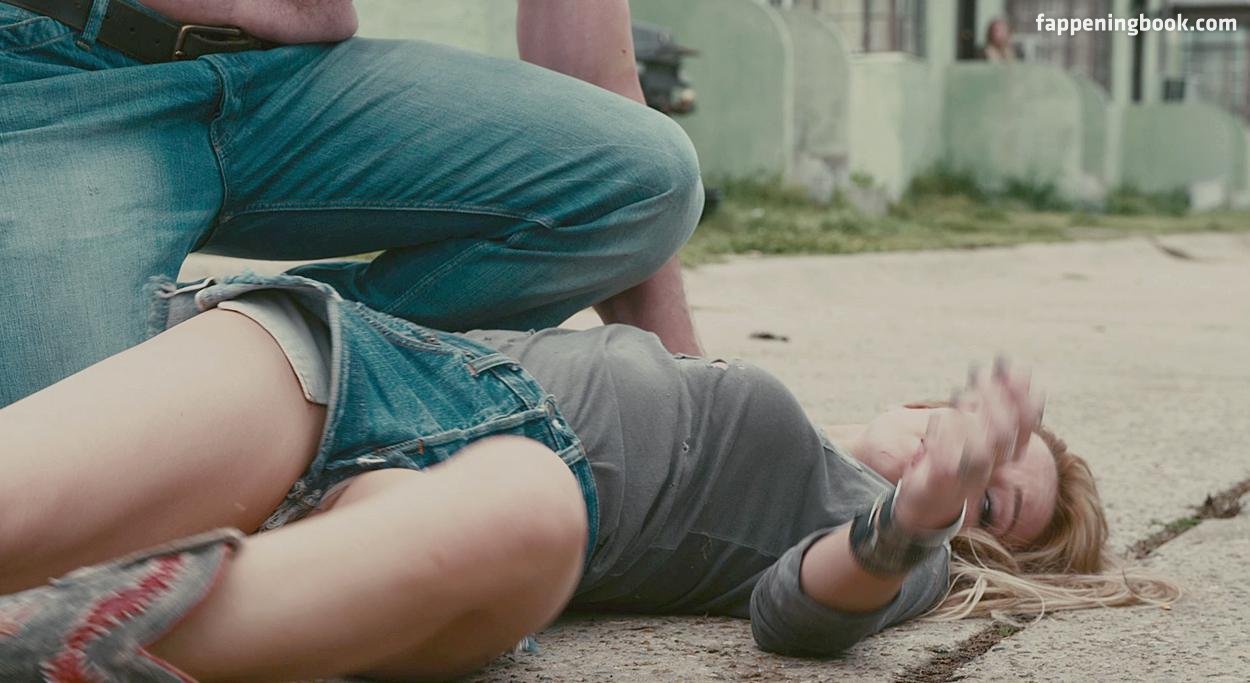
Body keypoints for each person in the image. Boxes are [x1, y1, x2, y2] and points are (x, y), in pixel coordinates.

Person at [0, 275, 1178, 681]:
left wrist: (914, 519)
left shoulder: (891, 545)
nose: (956, 460)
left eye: (989, 497)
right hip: (371, 367)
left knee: (527, 502)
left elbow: (799, 612)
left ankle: (64, 636)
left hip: (491, 495)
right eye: (974, 432)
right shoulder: (801, 421)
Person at [0, 0, 704, 410]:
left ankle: (222, 353)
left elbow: (595, 70)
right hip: (50, 71)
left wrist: (690, 384)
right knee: (64, 473)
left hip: (292, 79)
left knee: (643, 174)